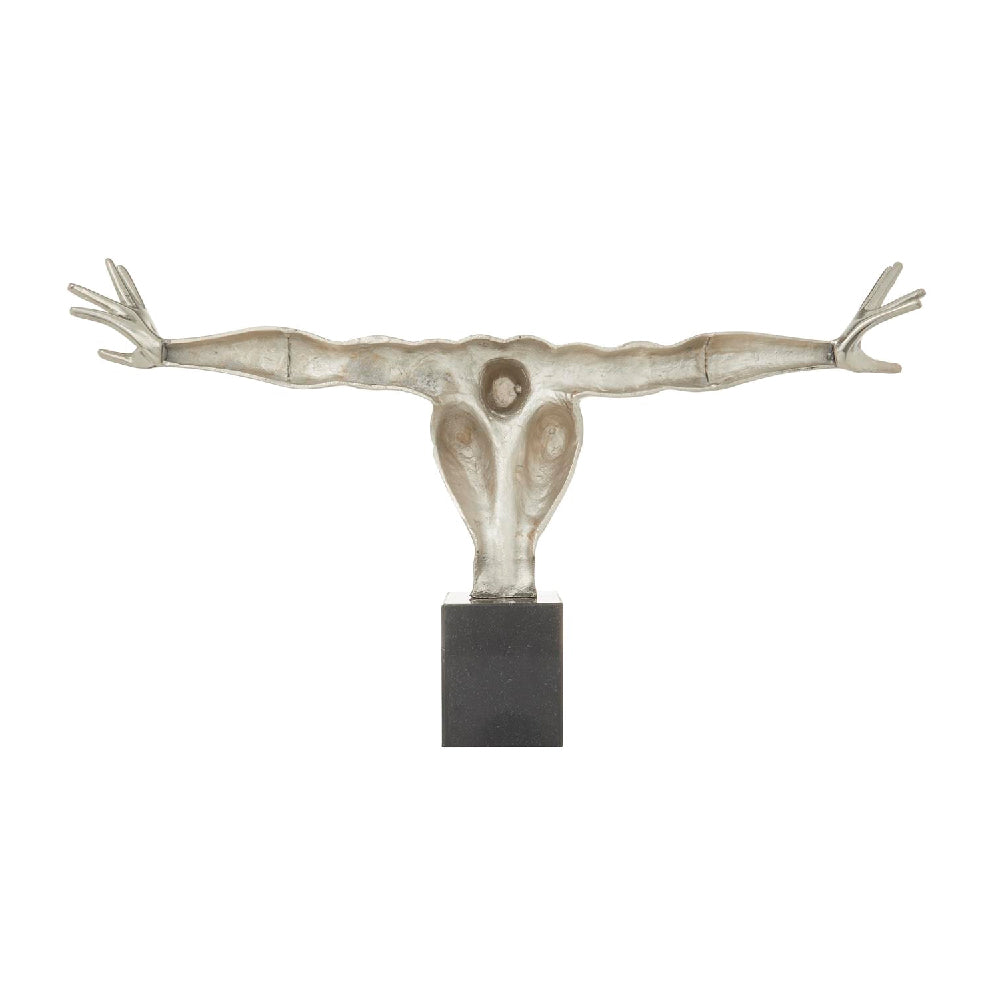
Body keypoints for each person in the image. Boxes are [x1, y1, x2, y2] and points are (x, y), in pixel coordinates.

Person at [69, 260, 924, 598]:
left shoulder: (565, 374)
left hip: (513, 565)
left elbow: (688, 364)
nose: (505, 390)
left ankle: (507, 576)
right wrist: (173, 352)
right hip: (493, 570)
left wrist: (822, 353)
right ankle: (499, 576)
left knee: (549, 439)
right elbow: (311, 361)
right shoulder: (441, 372)